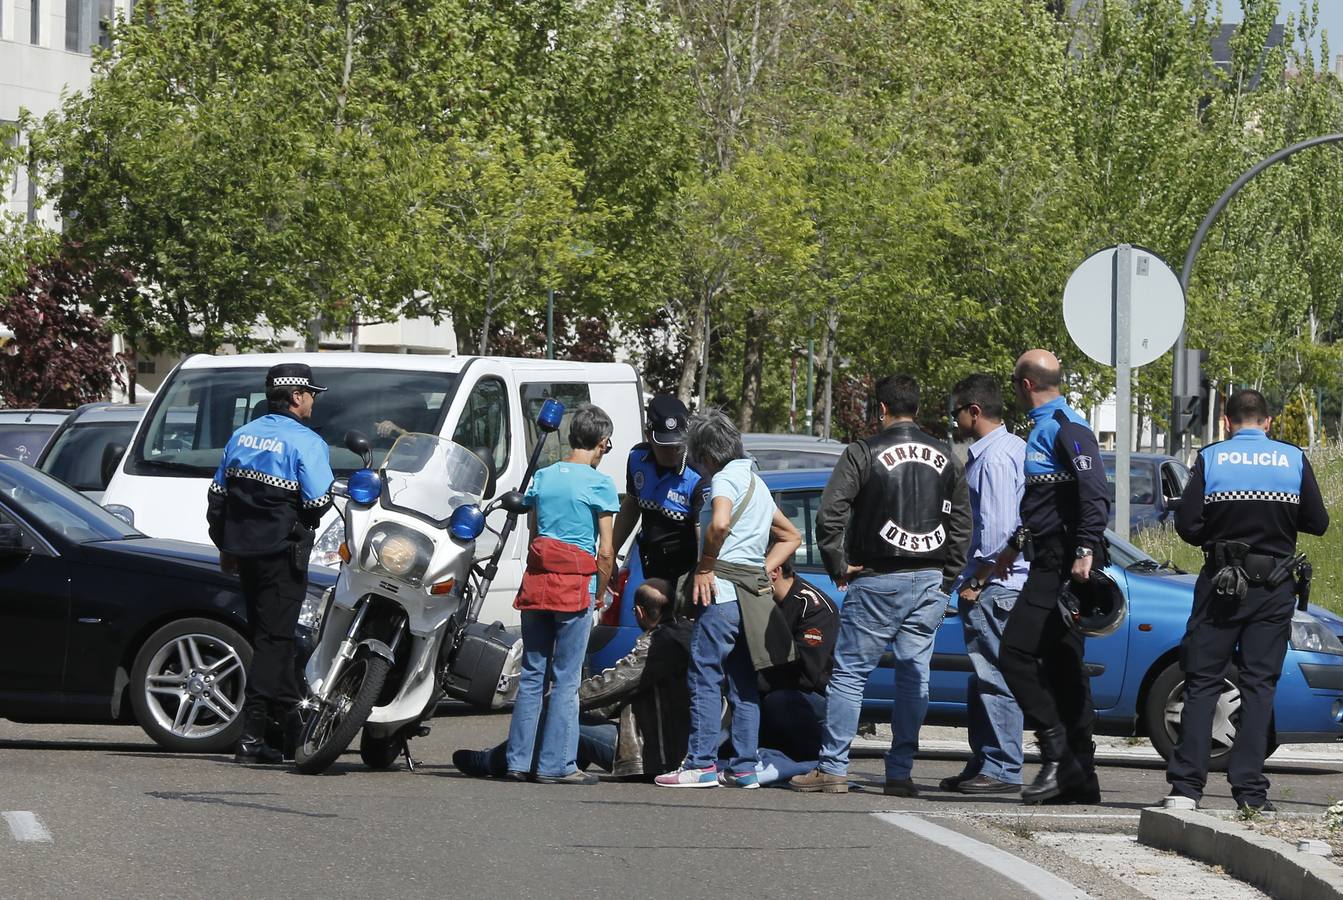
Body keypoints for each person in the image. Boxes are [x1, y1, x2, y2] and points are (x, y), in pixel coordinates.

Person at [791, 374, 971, 796]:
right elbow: (962, 526)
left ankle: (833, 767)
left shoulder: (862, 452)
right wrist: (947, 579)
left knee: (851, 674)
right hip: (929, 578)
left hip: (876, 577)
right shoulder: (948, 457)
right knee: (915, 676)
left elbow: (829, 513)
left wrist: (837, 562)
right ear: (918, 409)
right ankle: (900, 771)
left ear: (881, 409)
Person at [1165, 389, 1329, 813]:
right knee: (1259, 686)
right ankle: (1251, 793)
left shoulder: (1212, 457)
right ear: (1268, 422)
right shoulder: (1292, 459)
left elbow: (1187, 524)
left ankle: (1186, 790)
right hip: (1273, 587)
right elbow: (1318, 522)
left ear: (1227, 420)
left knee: (1203, 682)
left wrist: (1216, 534)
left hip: (1221, 583)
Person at [655, 410, 802, 789]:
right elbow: (791, 536)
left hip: (719, 590)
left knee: (704, 674)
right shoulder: (756, 483)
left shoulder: (722, 480)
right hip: (749, 597)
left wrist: (706, 565)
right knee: (743, 681)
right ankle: (743, 767)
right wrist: (762, 568)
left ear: (705, 454)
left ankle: (701, 763)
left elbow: (719, 523)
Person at [993, 350, 1110, 804]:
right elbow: (1046, 504)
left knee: (1016, 653)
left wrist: (1084, 549)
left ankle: (1057, 753)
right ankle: (1082, 775)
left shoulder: (1064, 426)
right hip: (1050, 555)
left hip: (1063, 564)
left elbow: (1094, 491)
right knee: (1063, 667)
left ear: (1025, 385)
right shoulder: (1046, 426)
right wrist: (1013, 547)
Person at [206, 363, 334, 764]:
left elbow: (217, 497)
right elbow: (316, 501)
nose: (313, 400)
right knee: (275, 642)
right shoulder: (307, 442)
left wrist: (227, 545)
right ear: (296, 397)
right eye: (311, 393)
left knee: (266, 637)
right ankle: (251, 736)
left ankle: (290, 725)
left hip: (245, 554)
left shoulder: (242, 435)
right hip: (282, 553)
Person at [453, 578, 693, 780]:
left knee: (559, 717)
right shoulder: (686, 634)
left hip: (650, 755)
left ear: (639, 612)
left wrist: (562, 699)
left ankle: (491, 760)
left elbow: (614, 684)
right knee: (569, 717)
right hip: (672, 749)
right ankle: (552, 763)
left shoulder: (657, 645)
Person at [504, 404, 621, 785]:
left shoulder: (543, 476)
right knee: (567, 679)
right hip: (575, 588)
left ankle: (518, 760)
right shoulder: (598, 484)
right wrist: (601, 593)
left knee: (533, 674)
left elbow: (537, 532)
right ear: (602, 442)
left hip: (538, 585)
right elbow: (606, 551)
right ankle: (556, 764)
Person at [941, 374, 1029, 795]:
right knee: (982, 678)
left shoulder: (993, 459)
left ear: (974, 411)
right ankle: (985, 761)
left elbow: (995, 533)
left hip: (995, 584)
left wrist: (976, 578)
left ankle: (1002, 768)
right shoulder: (1013, 449)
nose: (954, 419)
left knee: (994, 677)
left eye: (956, 411)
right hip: (1002, 584)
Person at [611, 396, 704, 594]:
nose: (672, 452)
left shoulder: (697, 474)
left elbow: (703, 535)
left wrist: (699, 576)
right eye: (664, 445)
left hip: (687, 572)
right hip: (652, 565)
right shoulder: (637, 459)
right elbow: (632, 505)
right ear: (648, 435)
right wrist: (610, 554)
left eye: (677, 445)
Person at [758, 558, 839, 763]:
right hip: (778, 686)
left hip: (814, 696)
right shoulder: (765, 601)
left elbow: (806, 674)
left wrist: (759, 681)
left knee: (778, 701)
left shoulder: (811, 606)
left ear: (774, 571)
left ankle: (810, 758)